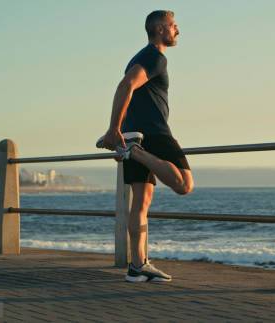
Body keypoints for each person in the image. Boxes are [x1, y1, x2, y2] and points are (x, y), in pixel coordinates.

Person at [100, 10, 193, 282]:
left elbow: (128, 87)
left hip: (134, 132)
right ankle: (135, 152)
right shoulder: (155, 57)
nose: (178, 31)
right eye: (174, 26)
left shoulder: (139, 56)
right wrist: (113, 129)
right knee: (184, 185)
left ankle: (138, 266)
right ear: (161, 29)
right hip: (153, 134)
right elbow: (126, 85)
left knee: (141, 202)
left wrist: (121, 130)